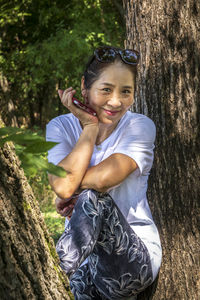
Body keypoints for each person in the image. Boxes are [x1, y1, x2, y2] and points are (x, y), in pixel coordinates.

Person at [46, 46, 162, 300]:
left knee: (93, 196)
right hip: (84, 266)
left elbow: (99, 180)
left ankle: (48, 275)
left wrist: (73, 185)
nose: (116, 101)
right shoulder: (60, 127)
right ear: (84, 88)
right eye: (106, 89)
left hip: (131, 260)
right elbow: (63, 187)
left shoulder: (139, 126)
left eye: (126, 92)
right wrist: (89, 127)